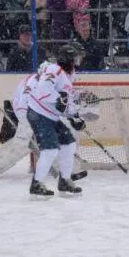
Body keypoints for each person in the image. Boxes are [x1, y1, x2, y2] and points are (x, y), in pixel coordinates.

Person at [26, 43, 87, 196]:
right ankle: (37, 183)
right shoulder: (55, 69)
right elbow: (42, 89)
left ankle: (64, 180)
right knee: (51, 149)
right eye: (76, 57)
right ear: (69, 59)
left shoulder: (68, 75)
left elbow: (66, 101)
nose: (78, 60)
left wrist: (74, 116)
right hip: (39, 114)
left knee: (69, 143)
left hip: (50, 116)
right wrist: (58, 98)